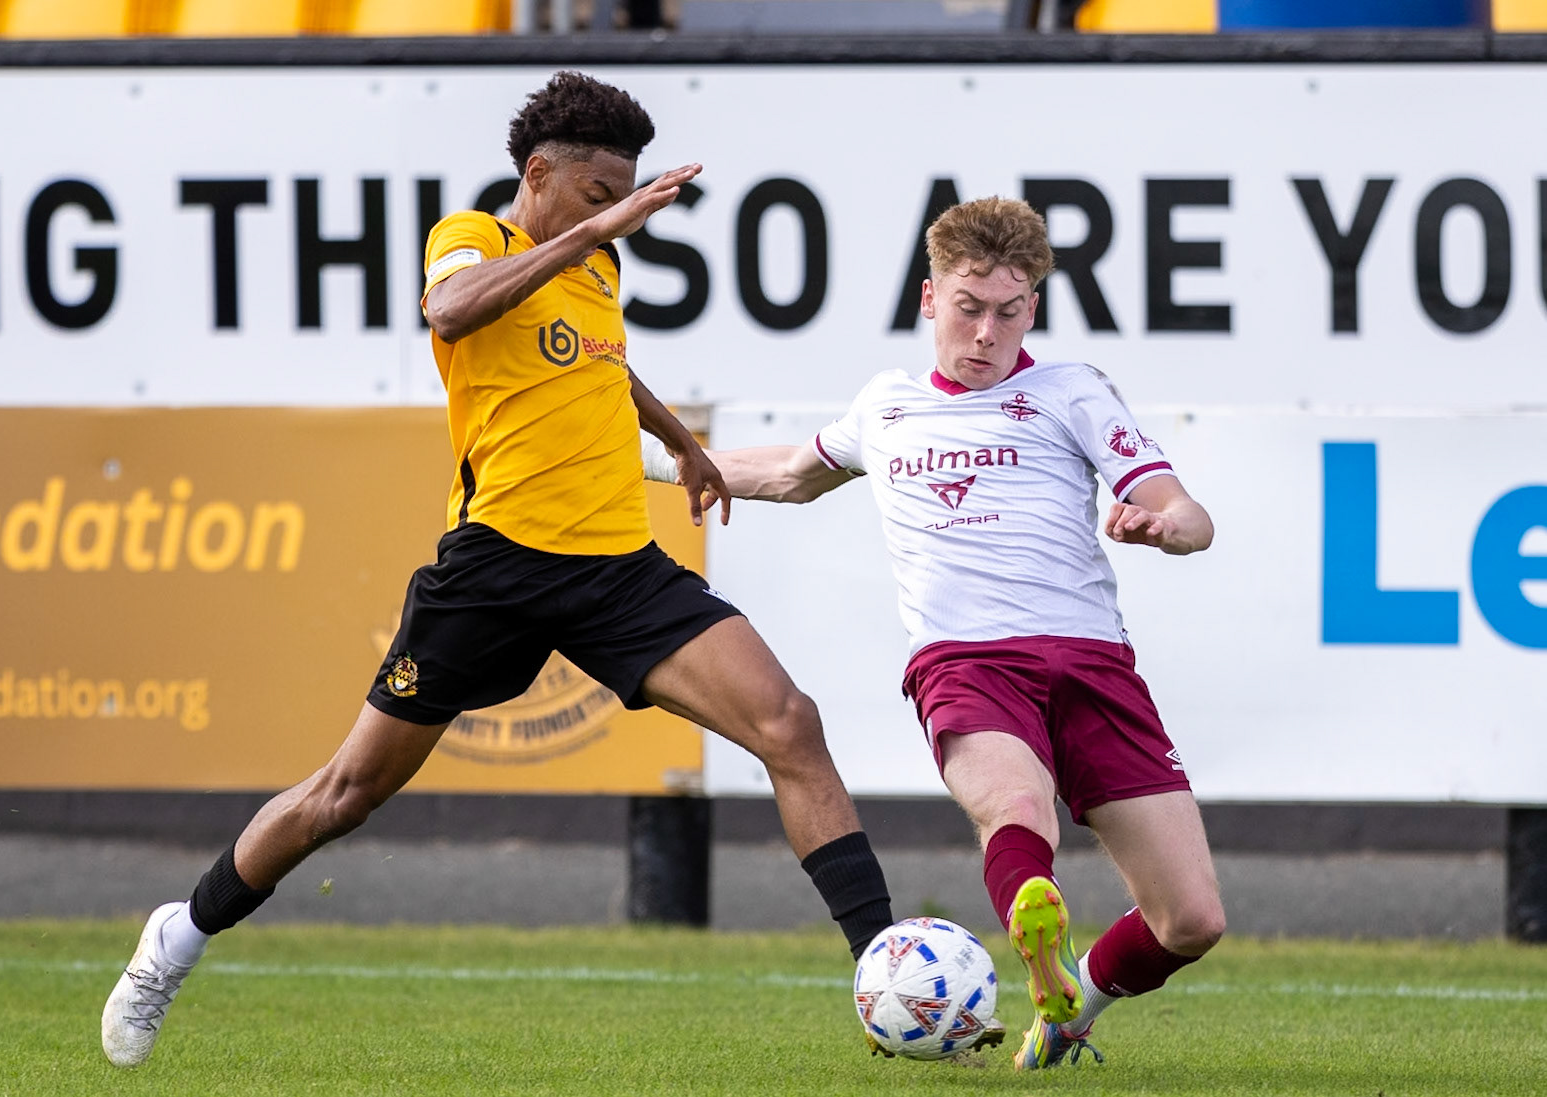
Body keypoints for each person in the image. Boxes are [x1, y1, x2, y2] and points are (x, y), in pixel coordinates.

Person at [101, 71, 898, 1068]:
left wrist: (677, 439)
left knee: (790, 721)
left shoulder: (596, 271)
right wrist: (598, 232)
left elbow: (596, 359)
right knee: (345, 791)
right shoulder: (475, 238)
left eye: (625, 199)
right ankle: (180, 933)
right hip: (494, 572)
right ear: (538, 175)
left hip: (616, 567)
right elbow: (454, 312)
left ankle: (886, 969)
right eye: (600, 196)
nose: (615, 217)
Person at [659, 195, 1227, 1071]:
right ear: (930, 300)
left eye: (1008, 310)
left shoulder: (1070, 391)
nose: (985, 332)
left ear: (1031, 307)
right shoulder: (884, 407)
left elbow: (1185, 513)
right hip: (967, 661)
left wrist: (1166, 527)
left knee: (1190, 919)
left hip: (1092, 663)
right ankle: (1033, 929)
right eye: (968, 308)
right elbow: (781, 472)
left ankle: (1073, 1003)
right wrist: (643, 456)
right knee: (1016, 805)